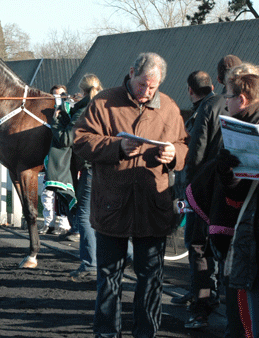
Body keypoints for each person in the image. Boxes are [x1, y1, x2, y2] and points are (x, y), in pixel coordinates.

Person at [73, 52, 189, 337]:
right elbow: (80, 140)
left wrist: (174, 154)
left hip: (153, 206)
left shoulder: (170, 108)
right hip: (113, 205)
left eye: (153, 87)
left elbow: (184, 146)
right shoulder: (104, 102)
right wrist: (116, 148)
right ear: (131, 73)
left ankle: (145, 332)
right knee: (109, 277)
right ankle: (106, 333)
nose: (146, 92)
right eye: (142, 85)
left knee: (150, 278)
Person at [214, 72, 259, 338]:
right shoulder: (240, 126)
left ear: (242, 99)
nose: (224, 102)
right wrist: (228, 173)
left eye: (228, 96)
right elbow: (241, 193)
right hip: (254, 237)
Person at [172, 71, 222, 329]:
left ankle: (201, 306)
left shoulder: (206, 109)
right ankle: (201, 294)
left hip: (200, 190)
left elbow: (196, 151)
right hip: (218, 189)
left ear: (190, 90)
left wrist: (188, 191)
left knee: (197, 245)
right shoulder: (222, 105)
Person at [51, 73, 103, 279]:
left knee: (84, 215)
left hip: (91, 168)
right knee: (100, 215)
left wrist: (56, 121)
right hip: (105, 167)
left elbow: (66, 139)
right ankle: (128, 254)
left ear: (82, 90)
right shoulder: (102, 104)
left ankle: (90, 263)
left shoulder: (84, 108)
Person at [39, 85, 71, 236]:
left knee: (62, 192)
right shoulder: (43, 111)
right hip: (49, 155)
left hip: (63, 157)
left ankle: (64, 224)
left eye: (60, 95)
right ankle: (48, 223)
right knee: (47, 192)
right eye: (54, 96)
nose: (56, 99)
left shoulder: (69, 108)